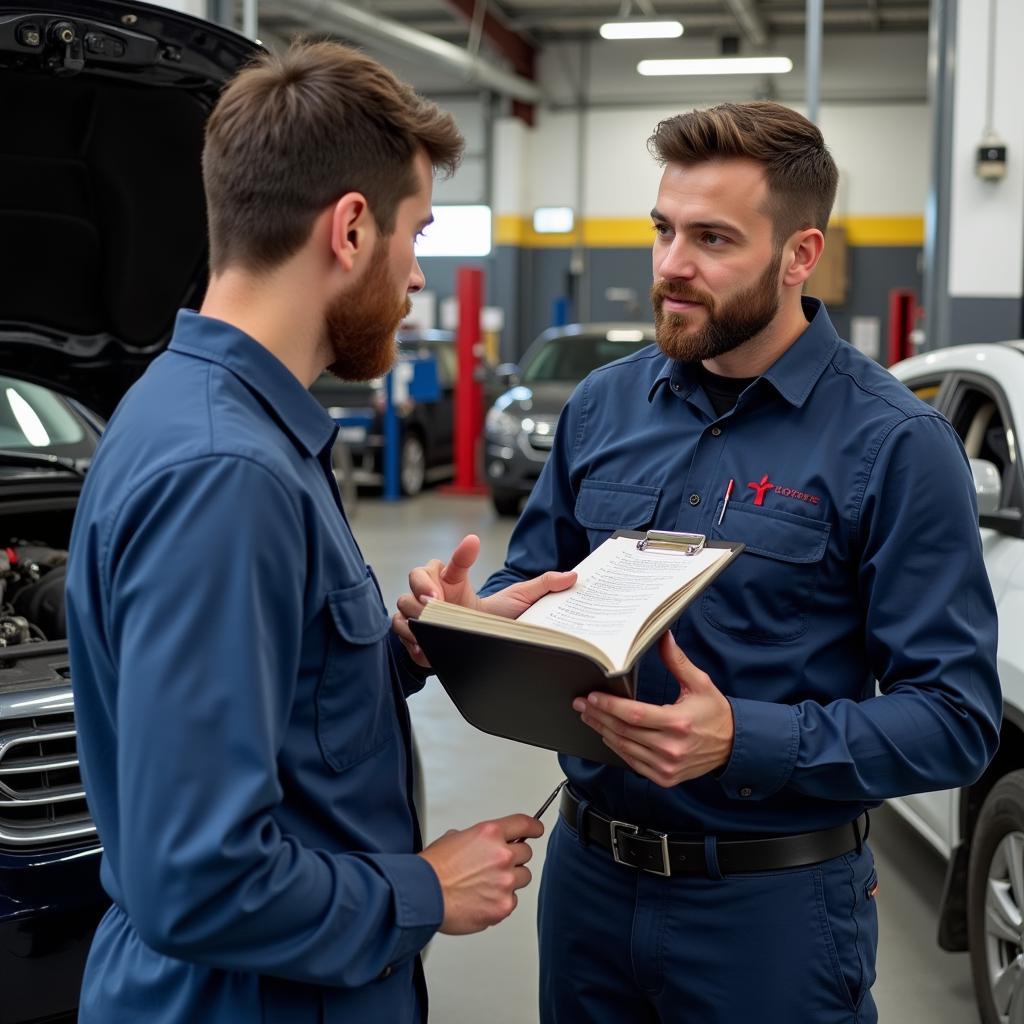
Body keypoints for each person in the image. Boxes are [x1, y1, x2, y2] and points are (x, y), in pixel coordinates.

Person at [394, 101, 1001, 1023]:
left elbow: (955, 720)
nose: (673, 265)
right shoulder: (602, 409)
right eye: (664, 230)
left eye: (713, 239)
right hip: (589, 887)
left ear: (799, 255)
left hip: (772, 914)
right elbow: (538, 580)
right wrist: (478, 618)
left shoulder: (894, 444)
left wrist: (744, 740)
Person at [64, 41, 573, 1024]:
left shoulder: (209, 417)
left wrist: (414, 648)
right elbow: (197, 879)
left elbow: (275, 700)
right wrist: (426, 888)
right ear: (349, 229)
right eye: (414, 235)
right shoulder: (227, 472)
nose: (417, 277)